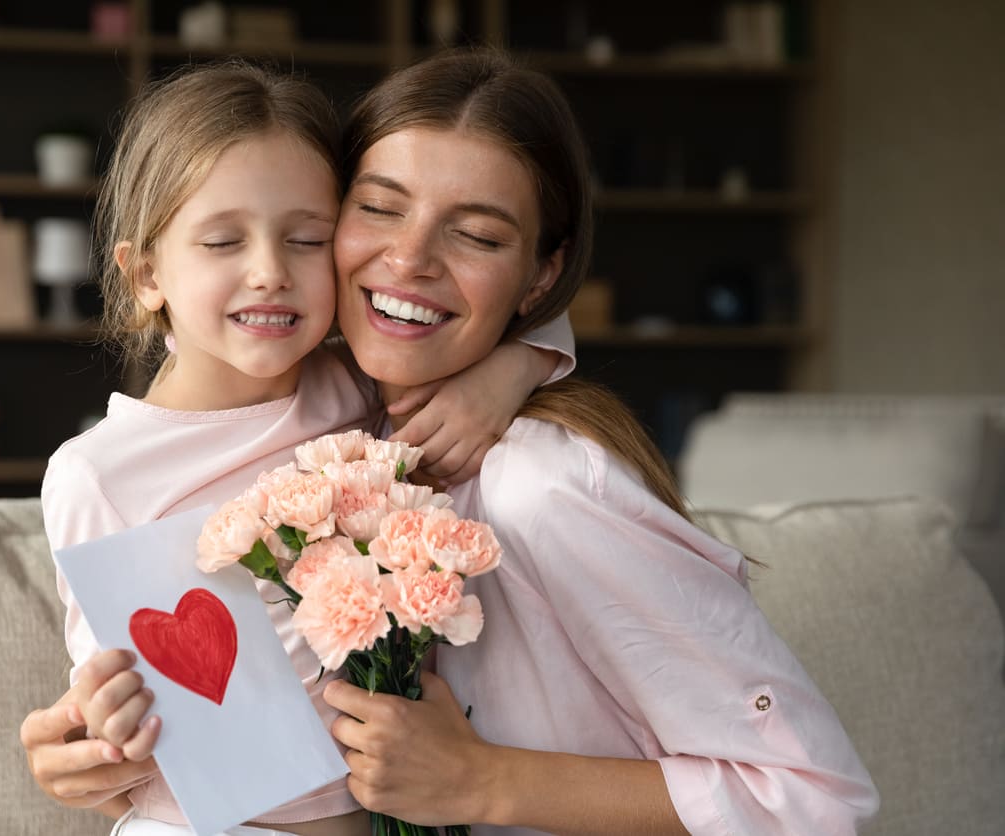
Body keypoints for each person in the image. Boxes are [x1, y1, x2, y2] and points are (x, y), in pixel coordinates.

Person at [315, 49, 880, 834]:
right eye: (378, 208)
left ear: (542, 275)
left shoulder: (543, 489)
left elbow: (814, 801)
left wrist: (482, 780)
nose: (409, 258)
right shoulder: (326, 430)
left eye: (477, 234)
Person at [30, 59, 575, 836]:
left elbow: (541, 307)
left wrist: (509, 371)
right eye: (222, 241)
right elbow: (113, 722)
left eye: (307, 239)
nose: (269, 272)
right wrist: (95, 743)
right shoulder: (98, 474)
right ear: (147, 272)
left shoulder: (358, 385)